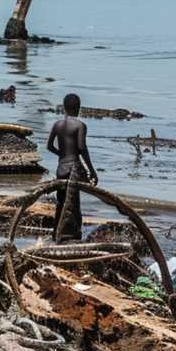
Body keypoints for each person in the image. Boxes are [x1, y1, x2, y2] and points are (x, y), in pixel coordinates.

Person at [47, 93, 98, 243]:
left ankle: (57, 233)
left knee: (61, 202)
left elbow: (49, 146)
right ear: (79, 108)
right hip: (74, 169)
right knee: (74, 205)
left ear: (64, 108)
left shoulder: (57, 125)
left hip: (61, 168)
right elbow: (81, 148)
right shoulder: (80, 126)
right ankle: (73, 237)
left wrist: (61, 154)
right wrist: (92, 170)